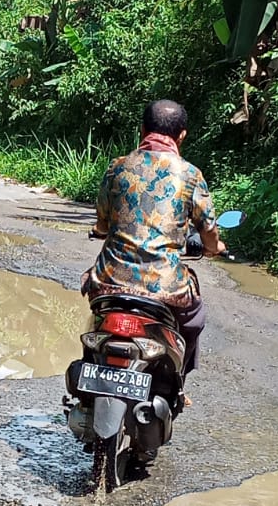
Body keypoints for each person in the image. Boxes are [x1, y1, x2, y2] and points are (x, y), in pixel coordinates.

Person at [82, 98, 225, 379]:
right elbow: (208, 229)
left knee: (97, 315)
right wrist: (214, 247)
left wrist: (102, 230)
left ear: (142, 129)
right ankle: (178, 382)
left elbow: (102, 221)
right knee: (195, 319)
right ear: (182, 135)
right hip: (165, 287)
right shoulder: (191, 175)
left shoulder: (117, 168)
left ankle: (91, 367)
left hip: (110, 281)